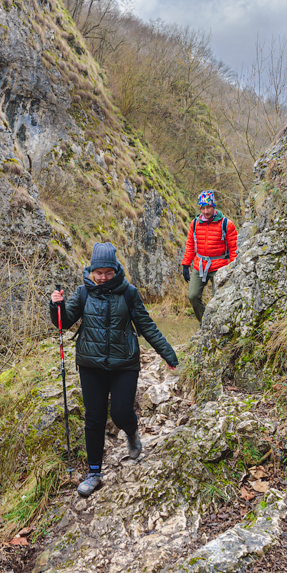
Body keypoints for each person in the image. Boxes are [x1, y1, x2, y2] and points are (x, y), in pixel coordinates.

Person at [50, 241, 178, 498]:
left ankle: (131, 432)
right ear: (92, 270)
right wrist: (56, 306)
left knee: (121, 413)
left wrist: (168, 353)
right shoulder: (83, 292)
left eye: (109, 272)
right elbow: (62, 323)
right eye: (99, 273)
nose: (103, 277)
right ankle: (94, 473)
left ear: (116, 270)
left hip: (124, 364)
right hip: (91, 364)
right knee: (94, 419)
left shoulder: (128, 293)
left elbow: (147, 325)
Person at [181, 190, 238, 325]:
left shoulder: (226, 224)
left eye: (209, 207)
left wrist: (235, 268)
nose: (206, 211)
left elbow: (234, 248)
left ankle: (218, 326)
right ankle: (205, 324)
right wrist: (185, 264)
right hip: (199, 265)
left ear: (214, 206)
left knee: (217, 299)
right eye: (203, 208)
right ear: (200, 208)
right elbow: (190, 245)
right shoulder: (195, 223)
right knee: (193, 296)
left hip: (220, 266)